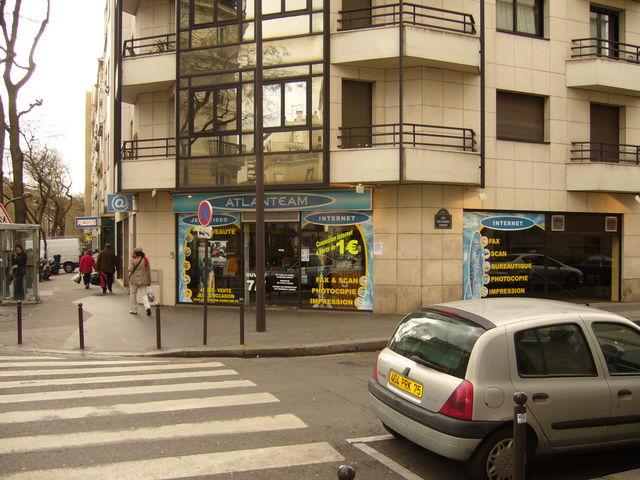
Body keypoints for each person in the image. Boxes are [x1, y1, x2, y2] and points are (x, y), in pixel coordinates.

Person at [128, 246, 152, 316]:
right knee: (144, 295)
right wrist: (149, 280)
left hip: (134, 280)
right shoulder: (146, 260)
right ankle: (147, 307)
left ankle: (134, 310)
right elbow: (148, 271)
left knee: (133, 294)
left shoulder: (133, 259)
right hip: (144, 280)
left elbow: (130, 269)